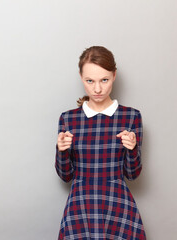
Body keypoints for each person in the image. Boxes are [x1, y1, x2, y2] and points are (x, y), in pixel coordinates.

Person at [55, 46, 146, 239]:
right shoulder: (68, 119)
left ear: (114, 76)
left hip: (118, 205)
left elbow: (132, 174)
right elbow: (66, 176)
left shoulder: (131, 117)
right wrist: (61, 151)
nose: (97, 89)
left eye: (104, 80)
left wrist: (132, 149)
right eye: (90, 81)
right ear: (81, 77)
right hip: (80, 206)